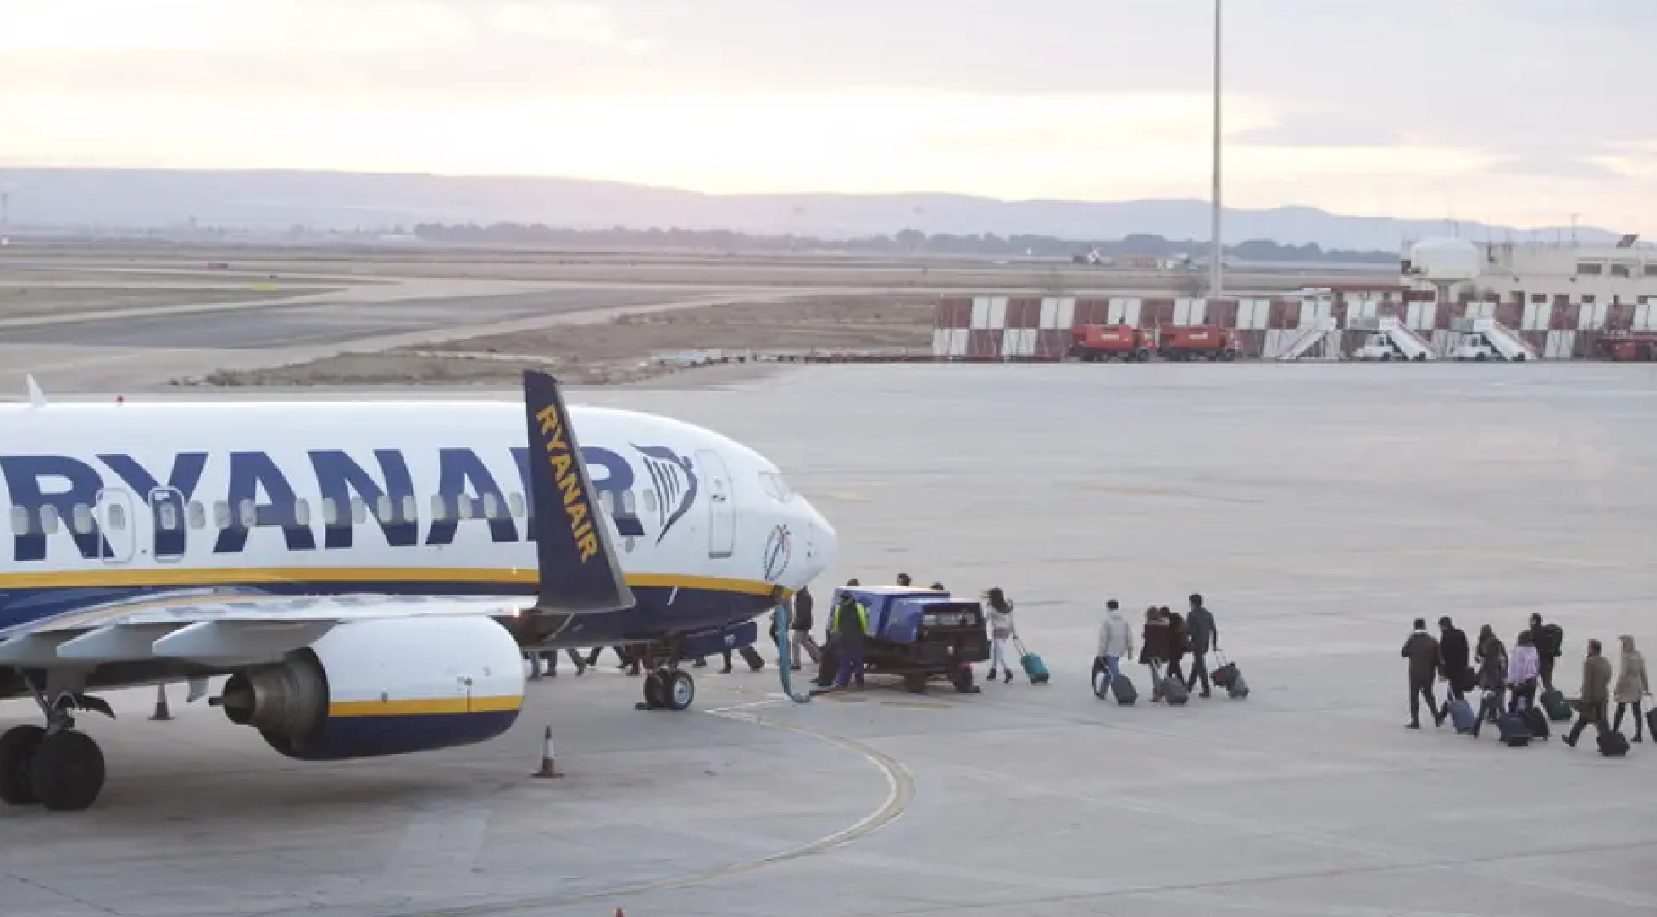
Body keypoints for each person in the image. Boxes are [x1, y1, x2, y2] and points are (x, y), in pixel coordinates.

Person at [1564, 639, 1613, 748]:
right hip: (1603, 694)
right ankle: (1607, 742)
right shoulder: (1605, 661)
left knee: (1585, 719)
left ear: (1593, 649)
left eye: (1589, 647)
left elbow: (1588, 681)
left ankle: (1573, 740)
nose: (1587, 649)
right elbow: (1608, 676)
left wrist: (1585, 698)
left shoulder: (1589, 662)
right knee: (1600, 721)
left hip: (1592, 696)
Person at [1401, 618, 1442, 729]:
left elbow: (1404, 653)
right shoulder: (1432, 641)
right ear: (1424, 627)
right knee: (1428, 695)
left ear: (1415, 627)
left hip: (1415, 673)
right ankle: (1437, 716)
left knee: (1414, 696)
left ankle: (1415, 722)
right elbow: (1438, 659)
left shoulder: (1412, 640)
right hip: (1429, 673)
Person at [1611, 634, 1649, 743]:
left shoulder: (1626, 656)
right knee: (1637, 710)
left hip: (1626, 686)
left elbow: (1623, 674)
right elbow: (1643, 672)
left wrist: (1617, 687)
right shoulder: (1638, 655)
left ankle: (1614, 731)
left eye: (1623, 644)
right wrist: (1646, 686)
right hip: (1637, 685)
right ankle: (1638, 734)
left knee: (1620, 710)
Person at [829, 591, 870, 689]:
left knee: (846, 661)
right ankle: (858, 681)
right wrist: (863, 633)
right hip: (855, 637)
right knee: (855, 661)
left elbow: (836, 623)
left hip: (847, 638)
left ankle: (843, 683)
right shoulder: (858, 607)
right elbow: (864, 621)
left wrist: (837, 634)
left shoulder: (840, 608)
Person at [1183, 593, 1218, 698]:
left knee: (1200, 666)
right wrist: (1214, 644)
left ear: (1193, 603)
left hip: (1196, 643)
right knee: (1197, 664)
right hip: (1205, 643)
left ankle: (1206, 689)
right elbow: (1213, 630)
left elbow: (1189, 630)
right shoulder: (1208, 614)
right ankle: (1190, 685)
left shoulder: (1191, 615)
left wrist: (1185, 640)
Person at [1095, 599, 1132, 695]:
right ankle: (1102, 691)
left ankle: (1122, 690)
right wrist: (1129, 649)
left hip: (1109, 649)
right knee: (1110, 669)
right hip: (1120, 648)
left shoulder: (1107, 621)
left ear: (1108, 608)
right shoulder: (1124, 620)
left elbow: (1104, 638)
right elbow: (1129, 635)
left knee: (1114, 671)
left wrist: (1100, 653)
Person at [1437, 616, 1470, 717]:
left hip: (1451, 670)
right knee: (1456, 691)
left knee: (1455, 693)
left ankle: (1460, 713)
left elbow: (1442, 655)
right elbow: (1466, 650)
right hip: (1461, 668)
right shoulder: (1460, 633)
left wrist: (1442, 671)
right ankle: (1448, 713)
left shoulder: (1445, 636)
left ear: (1443, 626)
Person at [1474, 624, 1508, 722]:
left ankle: (1489, 713)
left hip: (1487, 671)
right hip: (1497, 670)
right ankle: (1496, 713)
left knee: (1488, 692)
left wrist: (1481, 659)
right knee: (1497, 692)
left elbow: (1478, 657)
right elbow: (1504, 657)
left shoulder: (1482, 643)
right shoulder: (1498, 642)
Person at [984, 587, 1016, 684]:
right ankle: (993, 670)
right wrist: (1014, 633)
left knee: (999, 653)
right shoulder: (1008, 606)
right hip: (1006, 631)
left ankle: (1007, 671)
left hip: (997, 631)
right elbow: (1011, 621)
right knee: (995, 650)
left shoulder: (991, 607)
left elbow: (986, 619)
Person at [1139, 606, 1172, 700]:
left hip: (1152, 651)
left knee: (1155, 672)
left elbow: (1147, 637)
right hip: (1164, 651)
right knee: (1163, 672)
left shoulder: (1148, 626)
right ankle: (1165, 689)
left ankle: (1157, 692)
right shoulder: (1165, 625)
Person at [1506, 631, 1542, 714]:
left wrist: (1513, 681)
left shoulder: (1518, 651)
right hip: (1532, 680)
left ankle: (1513, 718)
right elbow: (1537, 665)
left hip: (1520, 681)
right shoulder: (1534, 650)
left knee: (1514, 702)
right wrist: (1535, 677)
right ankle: (1528, 718)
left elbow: (1516, 667)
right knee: (1529, 703)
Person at [1527, 613, 1564, 691]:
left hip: (1540, 660)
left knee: (1534, 684)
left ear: (1534, 621)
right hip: (1549, 658)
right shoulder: (1546, 631)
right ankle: (1552, 696)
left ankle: (1552, 696)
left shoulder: (1534, 632)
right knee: (1547, 682)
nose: (1529, 622)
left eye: (1531, 620)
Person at [789, 585, 817, 671]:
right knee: (805, 641)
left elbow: (803, 614)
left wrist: (795, 624)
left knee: (795, 642)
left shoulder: (803, 597)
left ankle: (796, 663)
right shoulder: (803, 596)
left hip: (802, 624)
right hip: (805, 623)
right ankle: (819, 657)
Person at [1163, 605, 1188, 687]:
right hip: (1180, 647)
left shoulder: (1172, 622)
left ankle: (1169, 683)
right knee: (1174, 666)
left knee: (1173, 666)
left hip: (1175, 648)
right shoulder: (1177, 619)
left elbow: (1172, 635)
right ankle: (1178, 682)